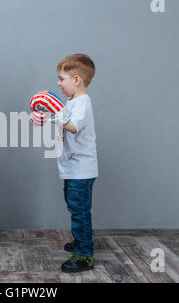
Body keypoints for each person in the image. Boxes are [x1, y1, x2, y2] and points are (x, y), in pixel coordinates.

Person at [56, 54, 99, 273]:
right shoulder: (72, 101)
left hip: (81, 169)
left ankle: (84, 254)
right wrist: (46, 118)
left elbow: (72, 126)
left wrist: (53, 112)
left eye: (61, 78)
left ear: (76, 80)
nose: (58, 83)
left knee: (79, 210)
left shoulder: (83, 102)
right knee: (74, 206)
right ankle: (81, 239)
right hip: (72, 168)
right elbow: (61, 125)